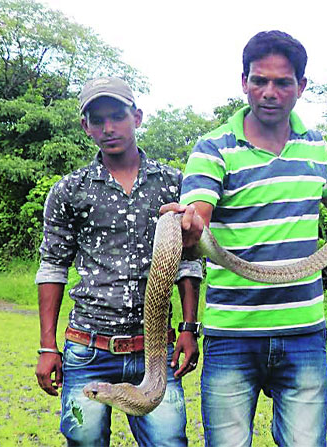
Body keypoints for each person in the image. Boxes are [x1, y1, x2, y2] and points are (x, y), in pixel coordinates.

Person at [161, 30, 327, 446]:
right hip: (231, 334)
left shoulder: (316, 147)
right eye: (259, 80)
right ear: (243, 81)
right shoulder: (214, 148)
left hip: (303, 332)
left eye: (282, 83)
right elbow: (198, 223)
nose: (269, 92)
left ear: (301, 86)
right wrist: (186, 228)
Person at [34, 76, 203, 446]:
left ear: (137, 117)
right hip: (87, 348)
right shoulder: (69, 190)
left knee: (169, 442)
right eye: (97, 120)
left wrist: (190, 327)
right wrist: (48, 347)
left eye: (117, 116)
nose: (108, 128)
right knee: (84, 442)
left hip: (154, 349)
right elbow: (52, 268)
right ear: (85, 127)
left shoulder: (173, 184)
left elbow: (189, 262)